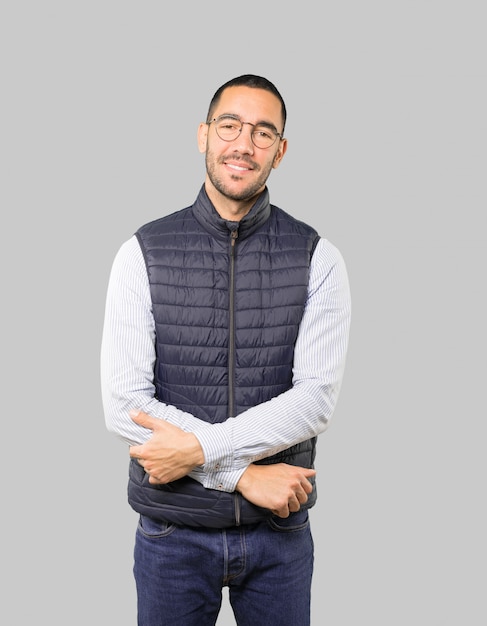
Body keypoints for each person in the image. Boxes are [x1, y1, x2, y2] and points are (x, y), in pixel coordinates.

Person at [101, 74, 351, 626]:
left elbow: (315, 401)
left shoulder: (319, 257)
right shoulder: (142, 252)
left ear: (280, 152)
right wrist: (242, 475)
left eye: (264, 133)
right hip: (172, 535)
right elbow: (125, 405)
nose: (244, 143)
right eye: (230, 125)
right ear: (203, 135)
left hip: (279, 539)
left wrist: (198, 452)